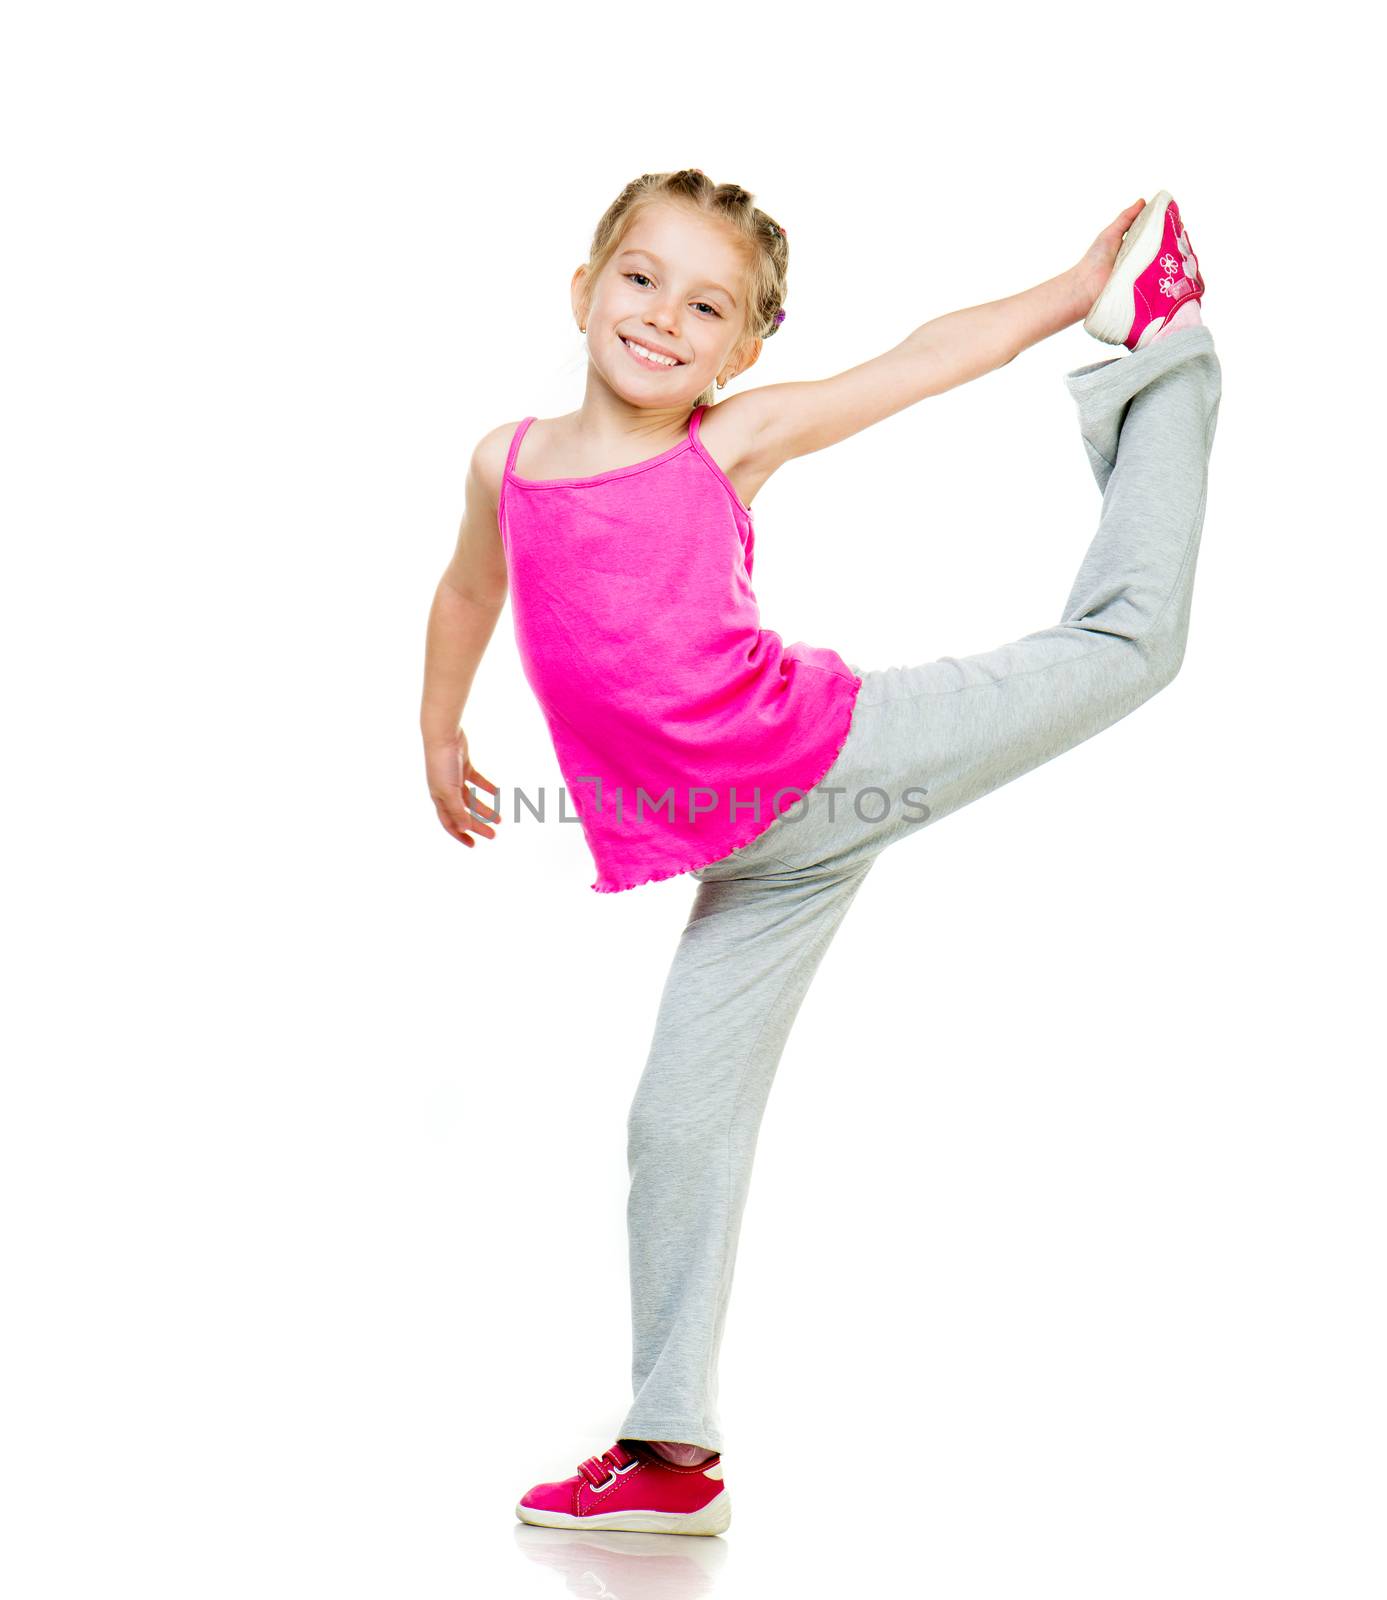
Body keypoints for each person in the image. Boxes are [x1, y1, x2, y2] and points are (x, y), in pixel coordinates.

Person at [419, 171, 1221, 1535]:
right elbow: (468, 587)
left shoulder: (723, 447)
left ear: (744, 351)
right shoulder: (507, 462)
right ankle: (670, 1459)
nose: (664, 316)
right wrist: (438, 729)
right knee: (676, 1124)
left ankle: (1171, 348)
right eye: (642, 279)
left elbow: (918, 363)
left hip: (837, 758)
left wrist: (1079, 294)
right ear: (583, 288)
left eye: (708, 304)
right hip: (762, 856)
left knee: (1128, 649)